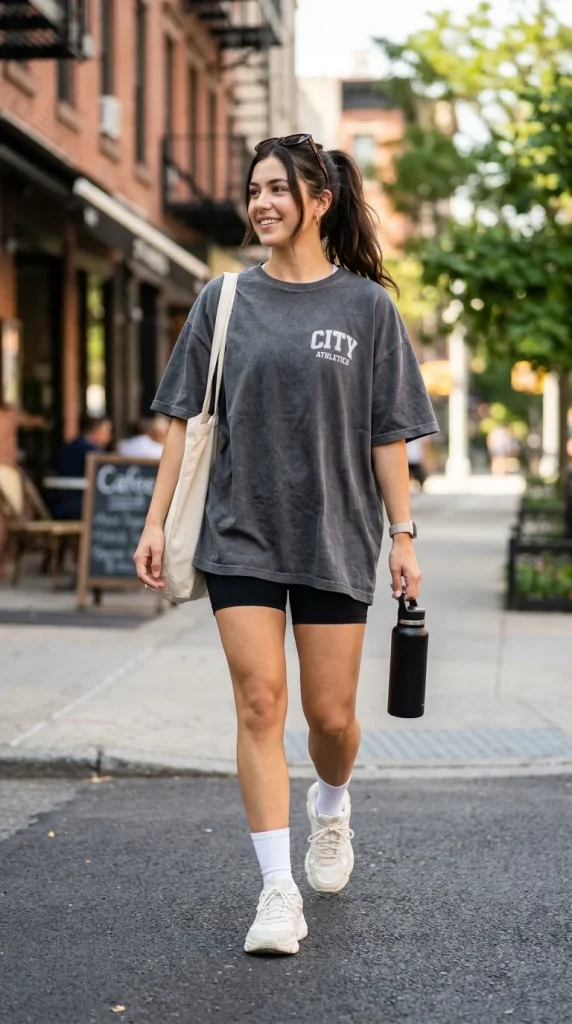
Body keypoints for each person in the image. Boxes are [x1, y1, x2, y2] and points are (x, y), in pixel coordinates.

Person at [134, 134, 439, 955]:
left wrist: (403, 536)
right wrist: (156, 520)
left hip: (337, 533)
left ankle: (331, 804)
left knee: (330, 718)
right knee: (260, 702)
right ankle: (276, 891)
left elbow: (387, 434)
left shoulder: (367, 308)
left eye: (277, 189)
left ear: (320, 201)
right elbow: (185, 420)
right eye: (254, 189)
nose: (261, 203)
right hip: (241, 531)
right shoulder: (225, 299)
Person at [53, 413, 112, 519]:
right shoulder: (92, 452)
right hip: (81, 505)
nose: (110, 436)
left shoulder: (69, 446)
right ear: (96, 431)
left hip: (60, 502)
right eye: (107, 431)